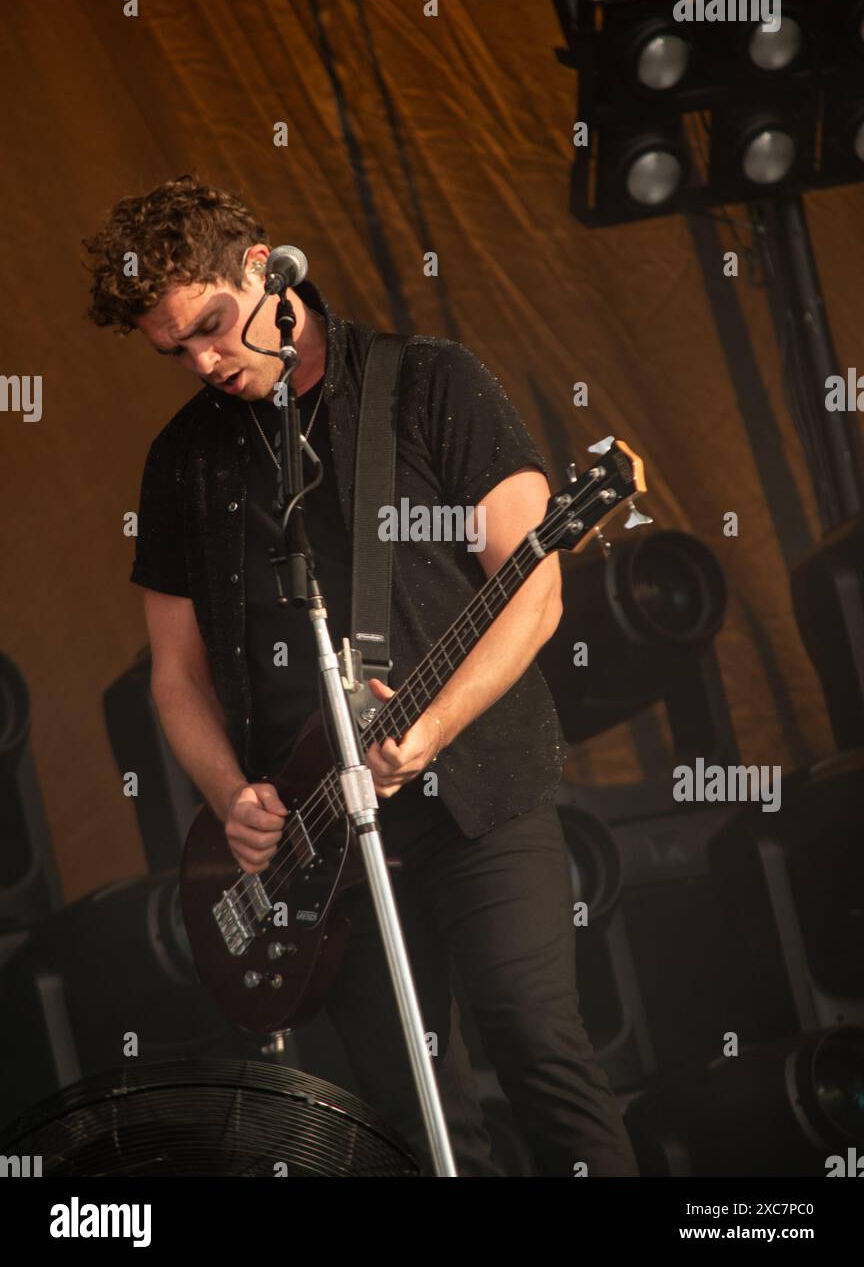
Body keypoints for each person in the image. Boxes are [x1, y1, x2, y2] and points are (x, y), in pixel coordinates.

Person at [83, 174, 639, 1178]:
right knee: (410, 1118)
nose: (207, 361)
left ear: (264, 267)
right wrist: (232, 799)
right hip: (319, 842)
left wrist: (432, 729)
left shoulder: (429, 382)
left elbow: (535, 588)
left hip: (480, 794)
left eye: (214, 325)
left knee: (539, 1047)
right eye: (179, 351)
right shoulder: (182, 465)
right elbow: (174, 673)